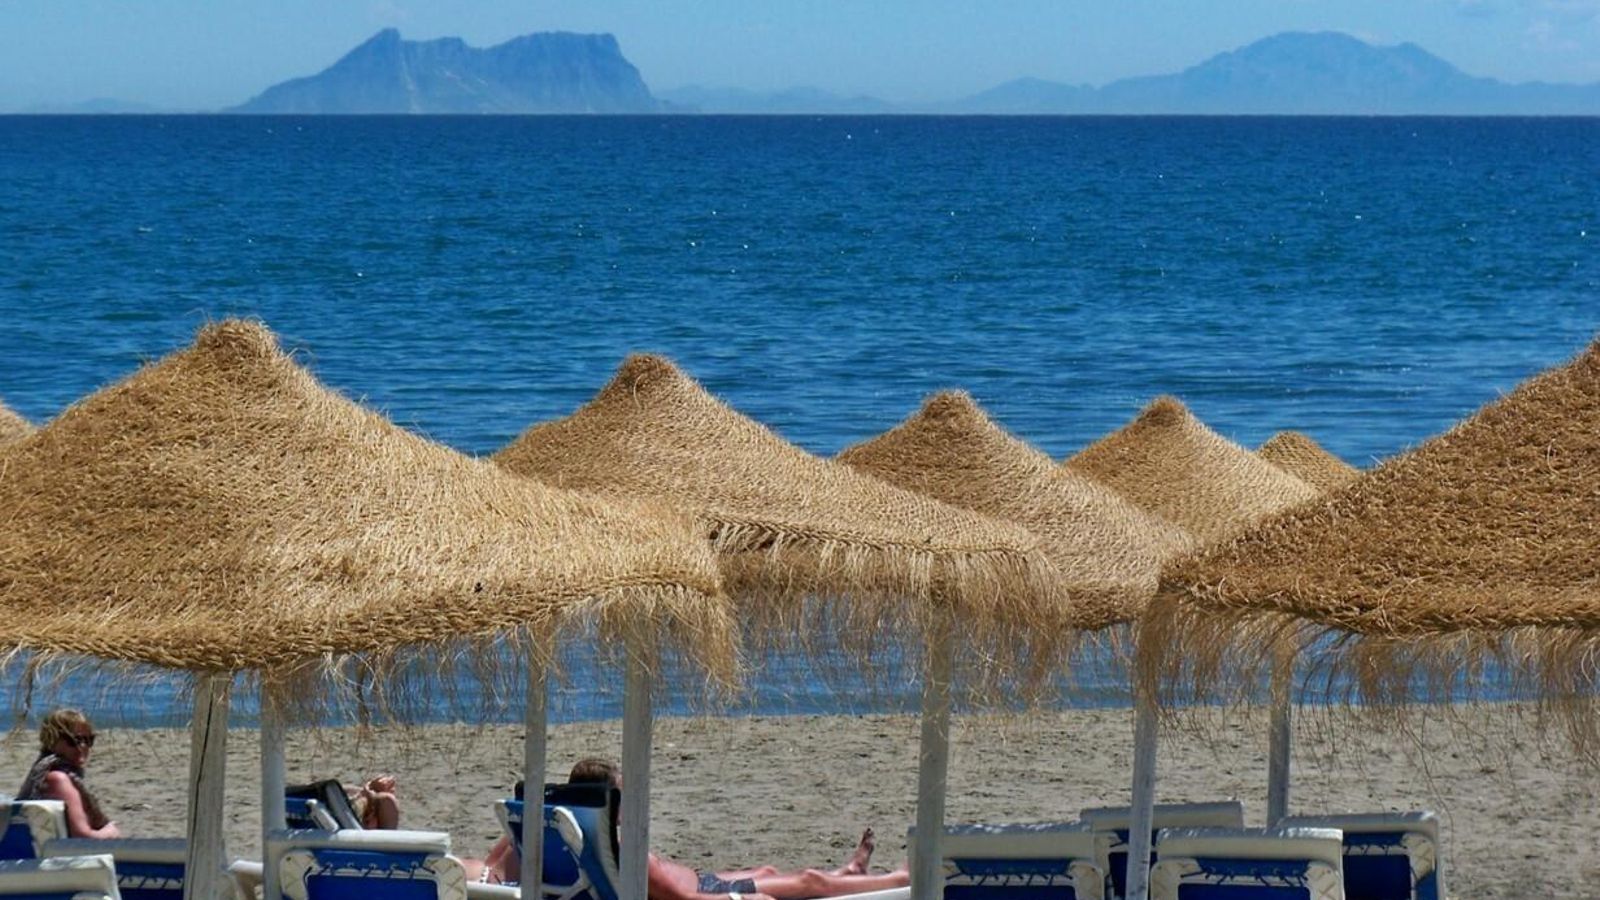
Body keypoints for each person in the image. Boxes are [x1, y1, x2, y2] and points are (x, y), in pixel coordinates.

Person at [567, 757, 908, 900]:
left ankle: (847, 871)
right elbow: (684, 899)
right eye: (623, 794)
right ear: (606, 799)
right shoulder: (623, 851)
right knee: (808, 881)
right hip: (708, 892)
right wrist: (739, 897)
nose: (631, 801)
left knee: (769, 870)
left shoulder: (587, 837)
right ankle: (899, 881)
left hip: (705, 879)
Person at [16, 708, 122, 838]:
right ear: (52, 740)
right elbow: (83, 836)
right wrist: (111, 831)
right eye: (74, 740)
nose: (83, 746)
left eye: (89, 740)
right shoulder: (58, 779)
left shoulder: (42, 771)